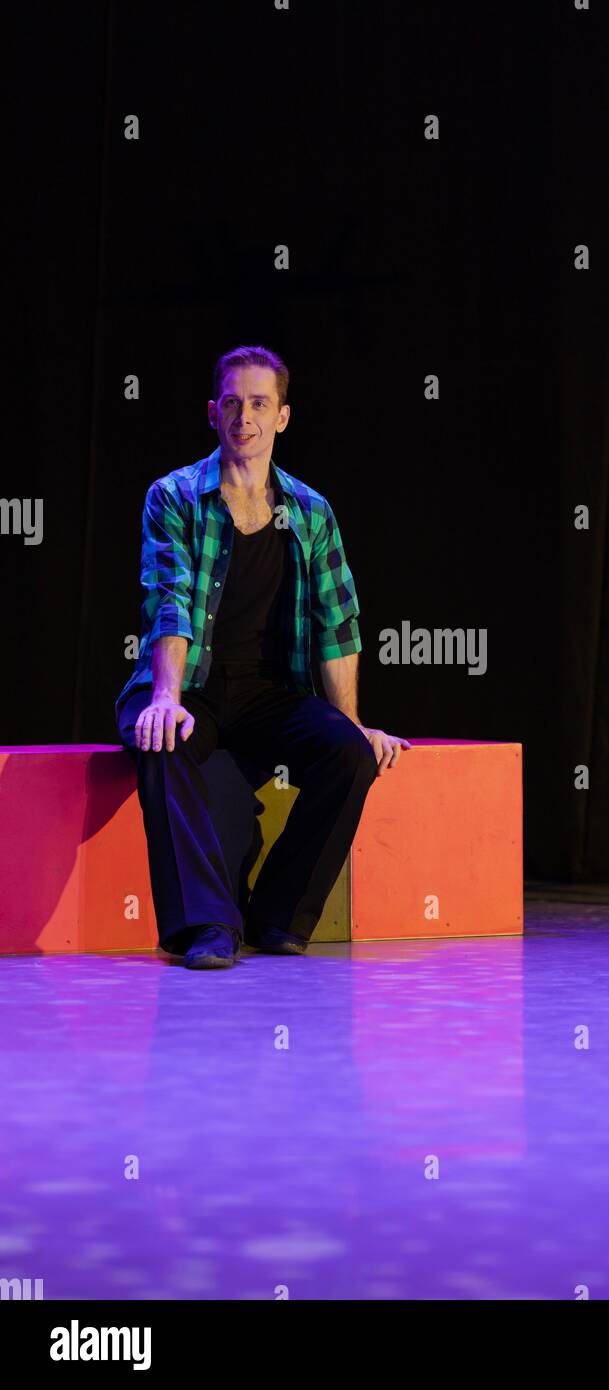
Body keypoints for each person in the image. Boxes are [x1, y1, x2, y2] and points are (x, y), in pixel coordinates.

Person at [114, 344, 410, 970]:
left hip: (269, 692)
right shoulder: (174, 497)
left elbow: (337, 624)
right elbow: (167, 602)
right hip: (189, 683)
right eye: (231, 402)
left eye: (259, 403)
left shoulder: (310, 512)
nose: (243, 416)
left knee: (349, 753)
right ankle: (207, 927)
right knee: (161, 742)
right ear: (213, 412)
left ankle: (278, 915)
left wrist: (353, 722)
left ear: (282, 417)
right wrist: (164, 699)